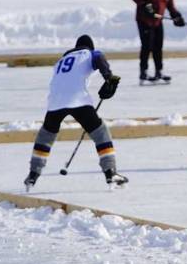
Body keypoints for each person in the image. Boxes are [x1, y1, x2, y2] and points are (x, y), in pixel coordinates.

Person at [24, 35, 125, 189]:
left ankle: (33, 175)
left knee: (46, 136)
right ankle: (110, 172)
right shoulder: (90, 53)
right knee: (100, 132)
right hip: (78, 100)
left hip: (55, 101)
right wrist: (108, 77)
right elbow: (100, 59)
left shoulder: (61, 60)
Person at [130, 0, 184, 83]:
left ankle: (159, 71)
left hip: (157, 20)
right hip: (144, 19)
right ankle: (143, 72)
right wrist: (145, 5)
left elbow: (169, 4)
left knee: (158, 46)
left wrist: (176, 15)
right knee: (147, 46)